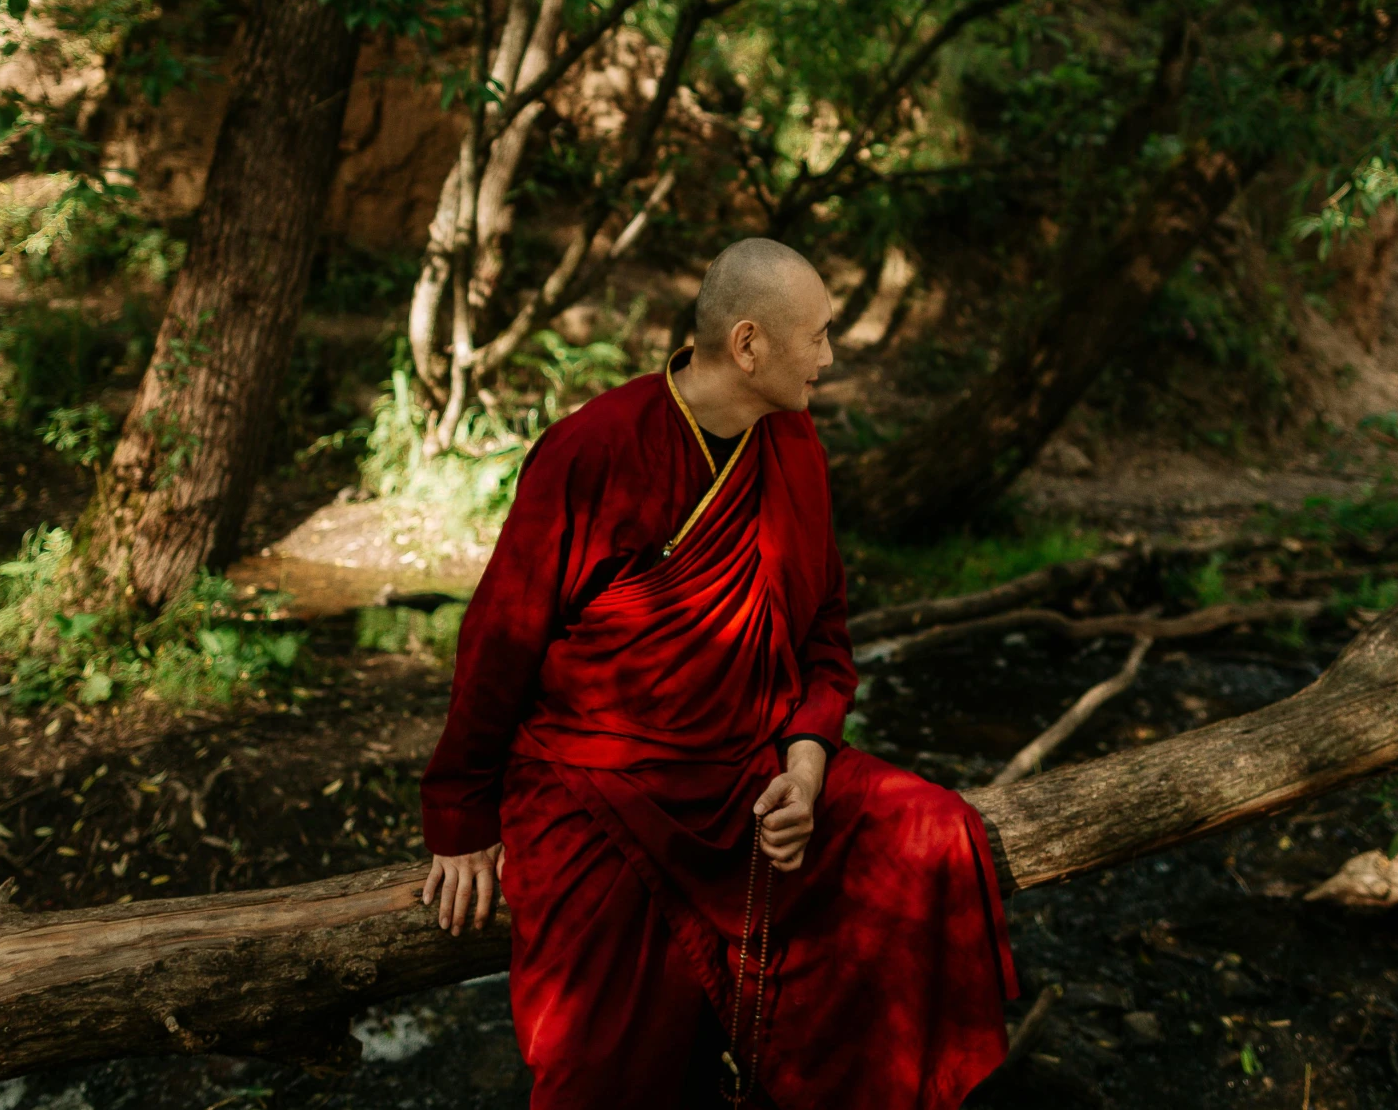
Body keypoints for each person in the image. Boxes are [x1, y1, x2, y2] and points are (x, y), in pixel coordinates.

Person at [420, 237, 1015, 1109]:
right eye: (816, 337)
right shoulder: (595, 447)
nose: (830, 355)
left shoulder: (796, 446)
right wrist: (460, 818)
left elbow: (826, 633)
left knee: (935, 836)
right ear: (748, 344)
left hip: (754, 772)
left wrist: (807, 757)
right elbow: (500, 637)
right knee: (600, 1067)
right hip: (603, 784)